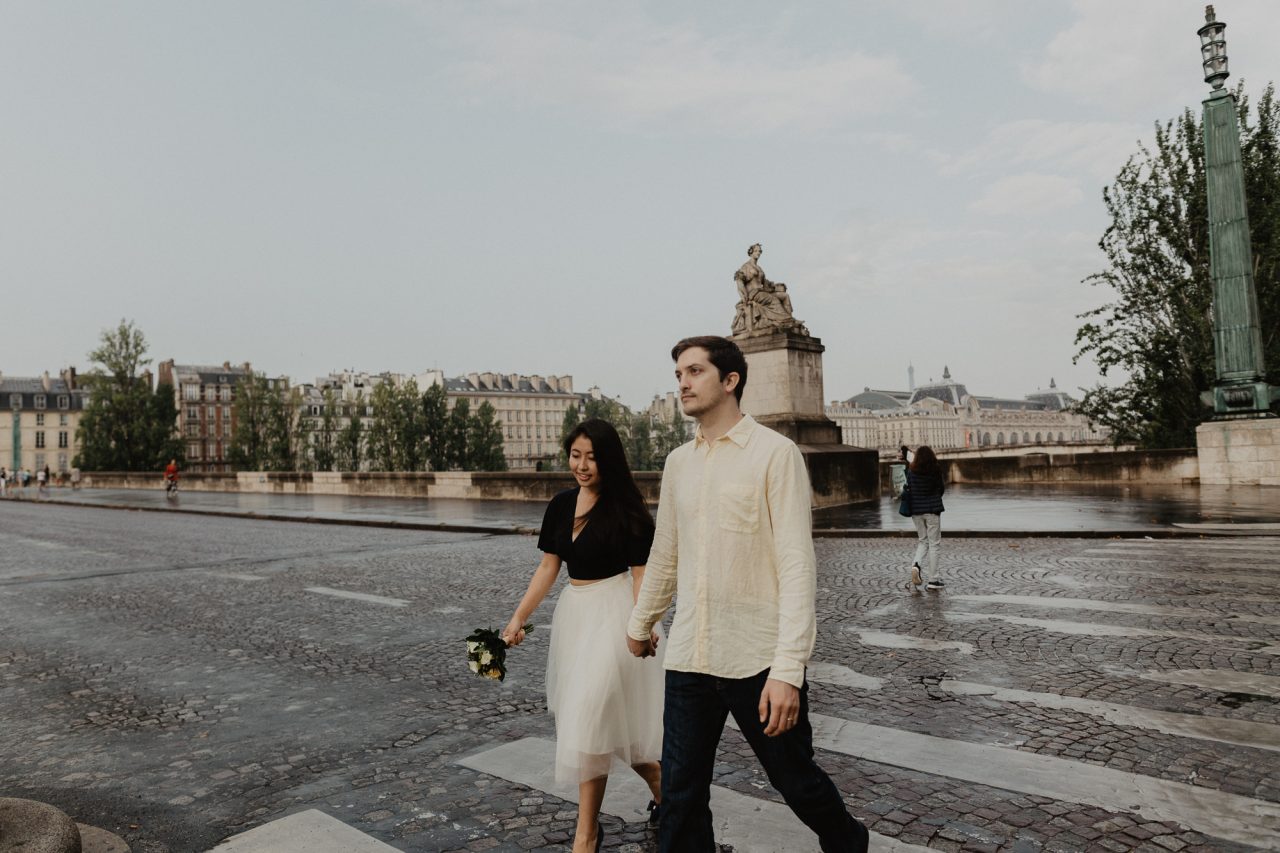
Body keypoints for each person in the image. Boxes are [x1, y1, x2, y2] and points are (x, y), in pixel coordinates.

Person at [627, 335, 869, 853]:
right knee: (682, 793)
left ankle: (848, 841)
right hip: (691, 653)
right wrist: (639, 623)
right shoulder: (677, 463)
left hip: (758, 656)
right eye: (678, 376)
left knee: (795, 781)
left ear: (730, 380)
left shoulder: (775, 455)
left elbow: (797, 567)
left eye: (694, 372)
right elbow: (666, 553)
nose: (683, 384)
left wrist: (788, 669)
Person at [502, 418, 665, 853]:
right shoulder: (560, 504)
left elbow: (640, 575)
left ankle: (586, 834)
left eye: (592, 456)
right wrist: (518, 618)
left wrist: (642, 625)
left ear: (608, 459)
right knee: (616, 732)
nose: (582, 465)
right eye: (575, 455)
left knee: (591, 718)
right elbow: (548, 567)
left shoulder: (627, 508)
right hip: (577, 616)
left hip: (617, 617)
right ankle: (669, 796)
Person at [905, 445, 946, 591]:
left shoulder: (911, 471)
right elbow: (941, 488)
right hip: (932, 510)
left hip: (916, 511)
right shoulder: (935, 470)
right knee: (934, 544)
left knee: (923, 541)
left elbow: (909, 488)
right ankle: (933, 580)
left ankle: (916, 565)